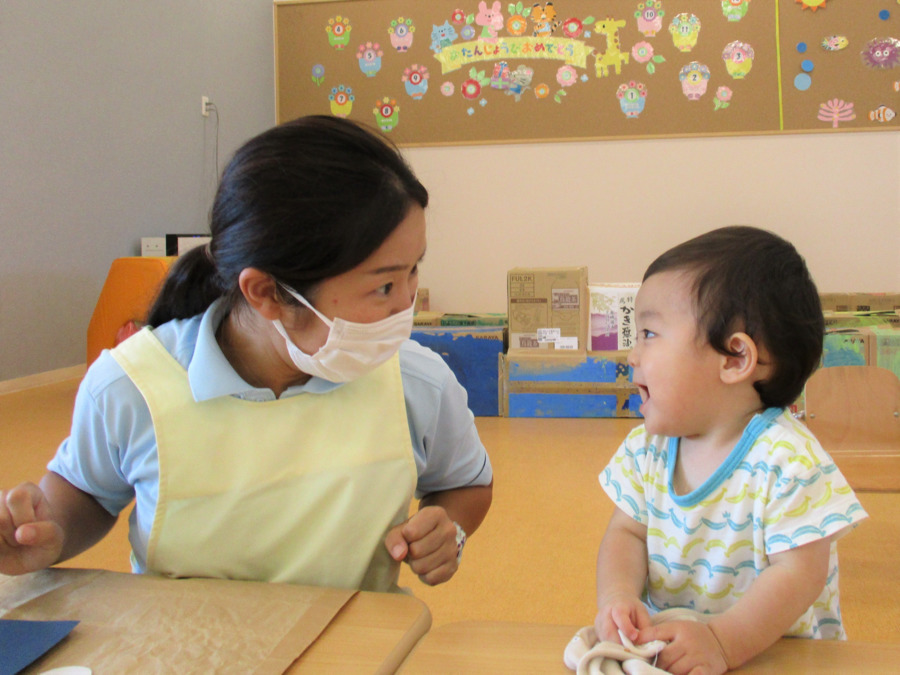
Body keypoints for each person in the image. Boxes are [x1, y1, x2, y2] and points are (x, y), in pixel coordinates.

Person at [0, 115, 492, 593]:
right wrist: (51, 534)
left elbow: (465, 483)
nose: (407, 302)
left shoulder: (417, 381)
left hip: (349, 651)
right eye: (384, 285)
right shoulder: (132, 386)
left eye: (413, 272)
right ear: (266, 292)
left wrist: (448, 530)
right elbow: (86, 491)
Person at [593, 226, 866, 674]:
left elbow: (799, 574)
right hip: (681, 655)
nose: (632, 355)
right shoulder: (648, 449)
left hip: (783, 656)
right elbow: (627, 534)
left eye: (649, 334)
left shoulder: (786, 459)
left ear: (735, 358)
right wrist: (617, 597)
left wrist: (722, 640)